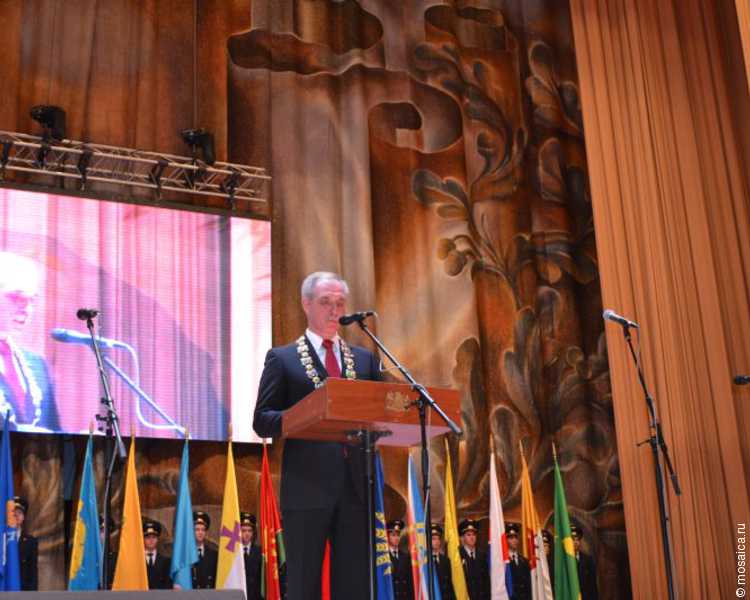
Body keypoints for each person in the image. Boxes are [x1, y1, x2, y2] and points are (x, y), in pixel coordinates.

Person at [253, 271, 382, 599]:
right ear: (306, 304)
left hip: (356, 488)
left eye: (340, 303)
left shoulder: (365, 360)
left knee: (354, 586)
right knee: (303, 584)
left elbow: (379, 415)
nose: (334, 310)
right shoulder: (282, 359)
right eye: (325, 302)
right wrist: (301, 416)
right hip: (306, 487)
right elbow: (262, 420)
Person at [0, 252, 59, 432]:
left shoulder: (37, 365)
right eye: (16, 298)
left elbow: (52, 432)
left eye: (31, 300)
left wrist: (82, 440)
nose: (26, 309)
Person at [459, 518, 489, 600]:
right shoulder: (457, 556)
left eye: (474, 535)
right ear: (463, 537)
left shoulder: (482, 555)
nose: (472, 537)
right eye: (468, 535)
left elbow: (486, 581)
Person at [14, 496, 37, 591]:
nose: (16, 515)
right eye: (13, 513)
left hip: (22, 590)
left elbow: (33, 573)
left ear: (23, 517)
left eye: (19, 513)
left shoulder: (31, 542)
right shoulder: (2, 539)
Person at [386, 519, 413, 600]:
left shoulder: (406, 557)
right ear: (387, 536)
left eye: (398, 535)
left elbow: (410, 583)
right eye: (393, 535)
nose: (396, 538)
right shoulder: (384, 557)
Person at [143, 519, 172, 589]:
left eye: (154, 537)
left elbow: (168, 585)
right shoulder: (137, 561)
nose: (151, 540)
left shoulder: (166, 561)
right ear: (143, 539)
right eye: (148, 537)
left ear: (158, 539)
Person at [191, 511, 218, 589]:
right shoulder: (186, 555)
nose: (200, 533)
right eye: (197, 529)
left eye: (203, 530)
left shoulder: (214, 555)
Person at [571, 525, 599, 600]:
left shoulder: (588, 560)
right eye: (573, 539)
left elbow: (593, 585)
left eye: (578, 539)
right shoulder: (564, 562)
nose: (576, 542)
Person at [240, 512, 262, 600]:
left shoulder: (259, 552)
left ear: (253, 533)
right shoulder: (234, 553)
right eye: (243, 530)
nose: (247, 534)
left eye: (249, 531)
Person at [506, 522, 531, 600]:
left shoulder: (524, 561)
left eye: (516, 537)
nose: (514, 540)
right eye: (511, 538)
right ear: (506, 540)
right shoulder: (503, 561)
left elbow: (528, 587)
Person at [431, 523, 455, 600]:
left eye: (438, 539)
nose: (437, 541)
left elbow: (449, 584)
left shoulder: (446, 560)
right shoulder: (424, 561)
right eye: (433, 539)